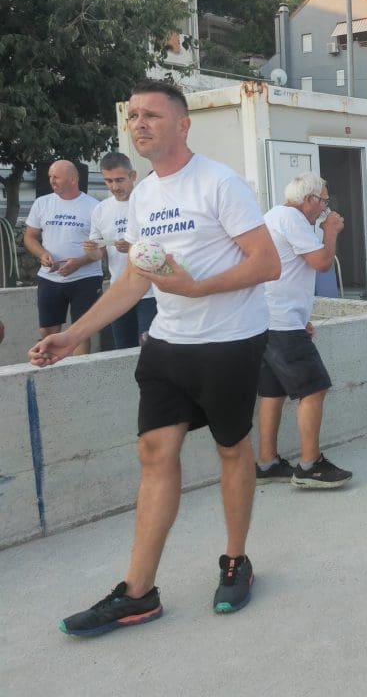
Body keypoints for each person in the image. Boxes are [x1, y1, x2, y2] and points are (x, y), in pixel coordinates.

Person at [30, 80, 280, 635]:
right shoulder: (141, 196)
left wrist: (197, 288)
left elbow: (267, 263)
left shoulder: (220, 183)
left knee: (231, 450)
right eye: (134, 116)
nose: (139, 124)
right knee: (154, 453)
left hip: (229, 341)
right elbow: (135, 279)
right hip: (167, 343)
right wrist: (74, 333)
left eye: (152, 115)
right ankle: (138, 592)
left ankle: (236, 561)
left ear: (182, 125)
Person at [256, 172, 352, 489]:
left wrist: (301, 317)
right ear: (309, 200)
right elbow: (322, 262)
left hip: (268, 320)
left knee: (273, 392)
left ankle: (267, 463)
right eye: (323, 201)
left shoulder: (273, 216)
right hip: (282, 323)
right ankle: (310, 465)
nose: (325, 208)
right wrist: (330, 231)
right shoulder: (293, 219)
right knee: (314, 388)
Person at [24, 160, 102, 356]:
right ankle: (52, 370)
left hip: (85, 278)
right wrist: (42, 254)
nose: (52, 181)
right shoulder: (42, 203)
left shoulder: (95, 207)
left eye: (56, 177)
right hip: (50, 277)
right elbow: (30, 237)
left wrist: (79, 263)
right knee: (47, 331)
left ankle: (79, 372)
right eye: (50, 176)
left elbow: (103, 247)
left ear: (73, 179)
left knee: (80, 332)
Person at [84, 152, 157, 349]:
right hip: (119, 290)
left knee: (149, 349)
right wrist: (91, 250)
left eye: (119, 180)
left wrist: (133, 248)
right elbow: (99, 254)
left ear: (132, 176)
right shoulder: (100, 209)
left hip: (150, 292)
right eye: (108, 181)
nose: (114, 187)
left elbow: (162, 246)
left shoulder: (149, 204)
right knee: (122, 350)